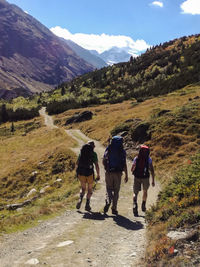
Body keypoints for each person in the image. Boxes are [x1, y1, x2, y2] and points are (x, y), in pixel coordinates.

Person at [103, 136, 128, 215]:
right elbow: (124, 164)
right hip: (118, 173)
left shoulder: (109, 149)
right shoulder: (122, 151)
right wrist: (126, 175)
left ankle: (108, 200)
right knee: (116, 191)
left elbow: (104, 160)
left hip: (109, 172)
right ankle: (114, 208)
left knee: (109, 188)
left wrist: (106, 168)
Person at [131, 144, 155, 216]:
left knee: (135, 192)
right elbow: (152, 170)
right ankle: (143, 204)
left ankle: (135, 203)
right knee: (145, 191)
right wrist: (153, 180)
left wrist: (133, 171)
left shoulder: (136, 158)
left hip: (137, 177)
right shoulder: (149, 159)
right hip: (146, 177)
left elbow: (132, 168)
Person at [76, 141, 100, 211]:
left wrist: (77, 172)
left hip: (81, 173)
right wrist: (98, 174)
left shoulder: (81, 153)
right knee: (89, 189)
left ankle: (80, 199)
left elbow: (77, 163)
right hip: (89, 174)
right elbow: (97, 165)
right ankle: (87, 204)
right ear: (93, 147)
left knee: (83, 188)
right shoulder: (94, 154)